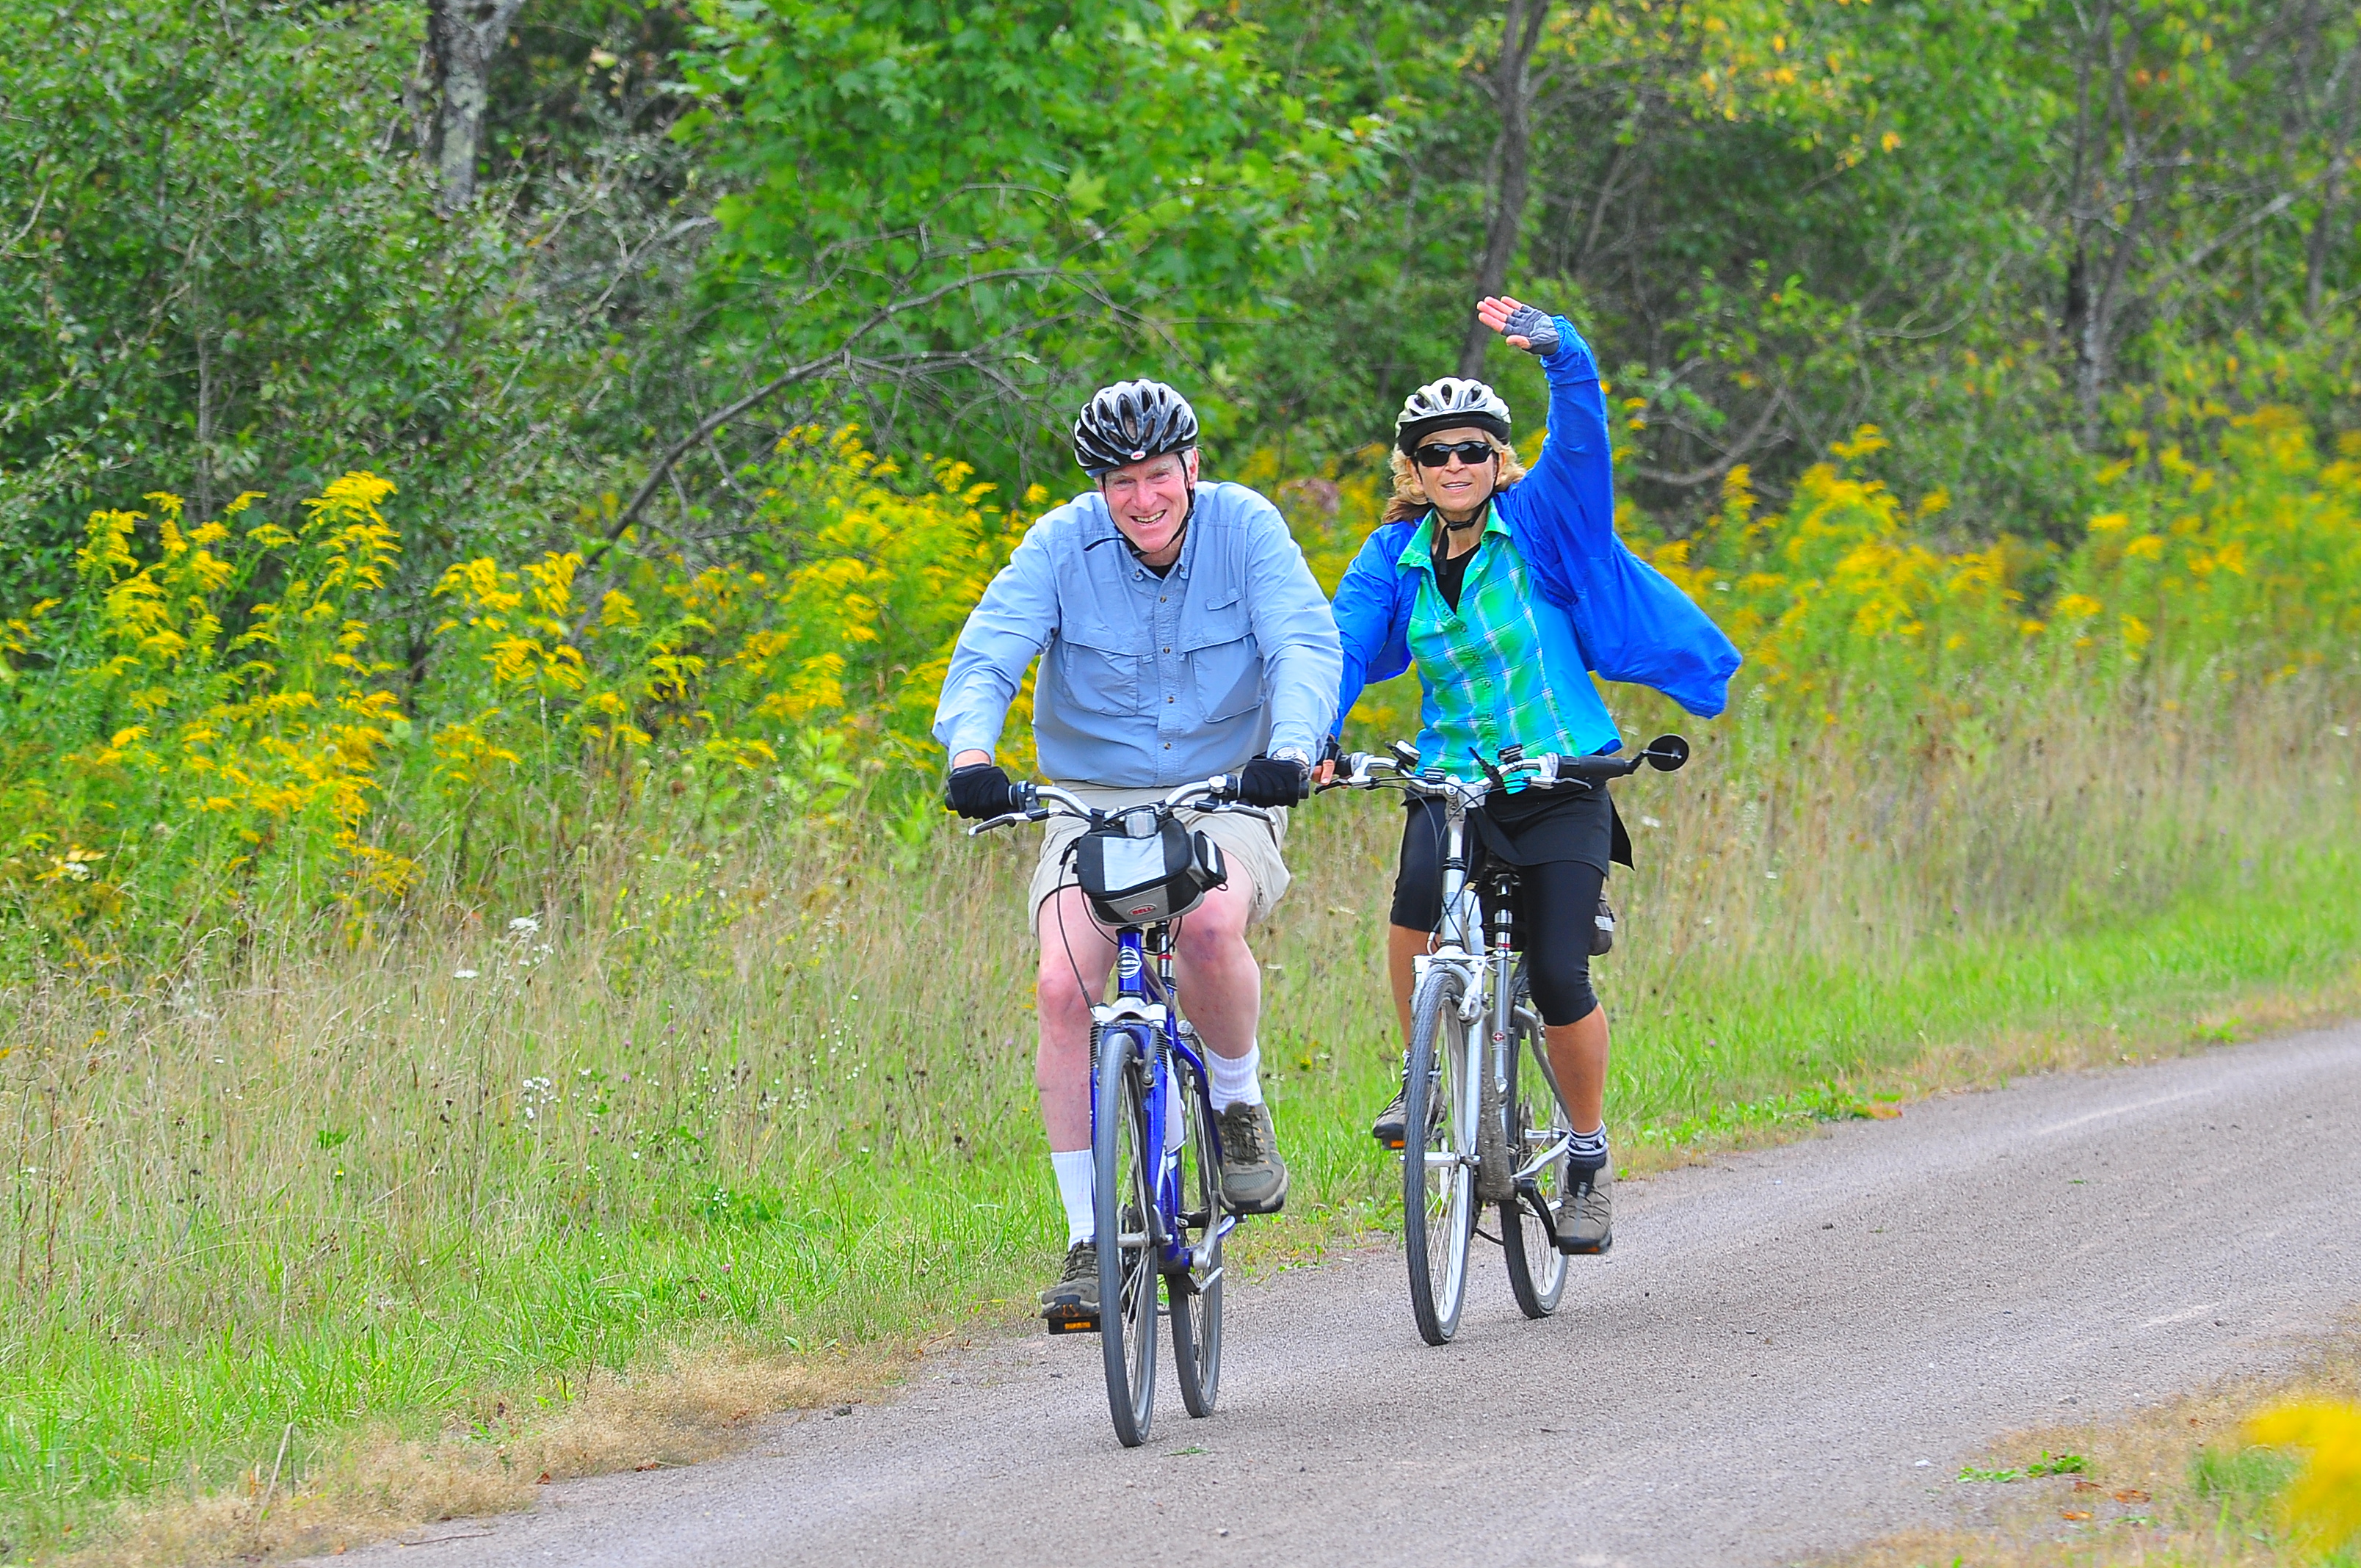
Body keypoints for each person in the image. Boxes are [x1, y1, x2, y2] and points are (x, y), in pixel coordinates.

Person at [1324, 297, 1741, 1254]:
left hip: (1560, 775)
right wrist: (1310, 737)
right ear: (1413, 470)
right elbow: (1341, 649)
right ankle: (1422, 1073)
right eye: (1436, 453)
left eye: (1474, 449)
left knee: (1556, 973)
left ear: (1498, 459)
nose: (1456, 466)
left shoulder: (1543, 523)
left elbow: (1587, 444)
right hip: (1455, 776)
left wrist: (1565, 355)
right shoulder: (1393, 555)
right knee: (1415, 900)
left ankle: (1587, 1154)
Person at [935, 378, 1343, 1325]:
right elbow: (991, 651)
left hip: (1225, 788)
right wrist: (970, 754)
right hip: (1093, 800)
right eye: (1123, 482)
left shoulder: (1247, 530)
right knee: (1060, 983)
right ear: (1099, 487)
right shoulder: (1058, 545)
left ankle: (1237, 1103)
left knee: (1204, 922)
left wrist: (1290, 749)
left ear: (1191, 468)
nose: (1144, 498)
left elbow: (1300, 644)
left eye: (1160, 474)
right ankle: (1090, 1237)